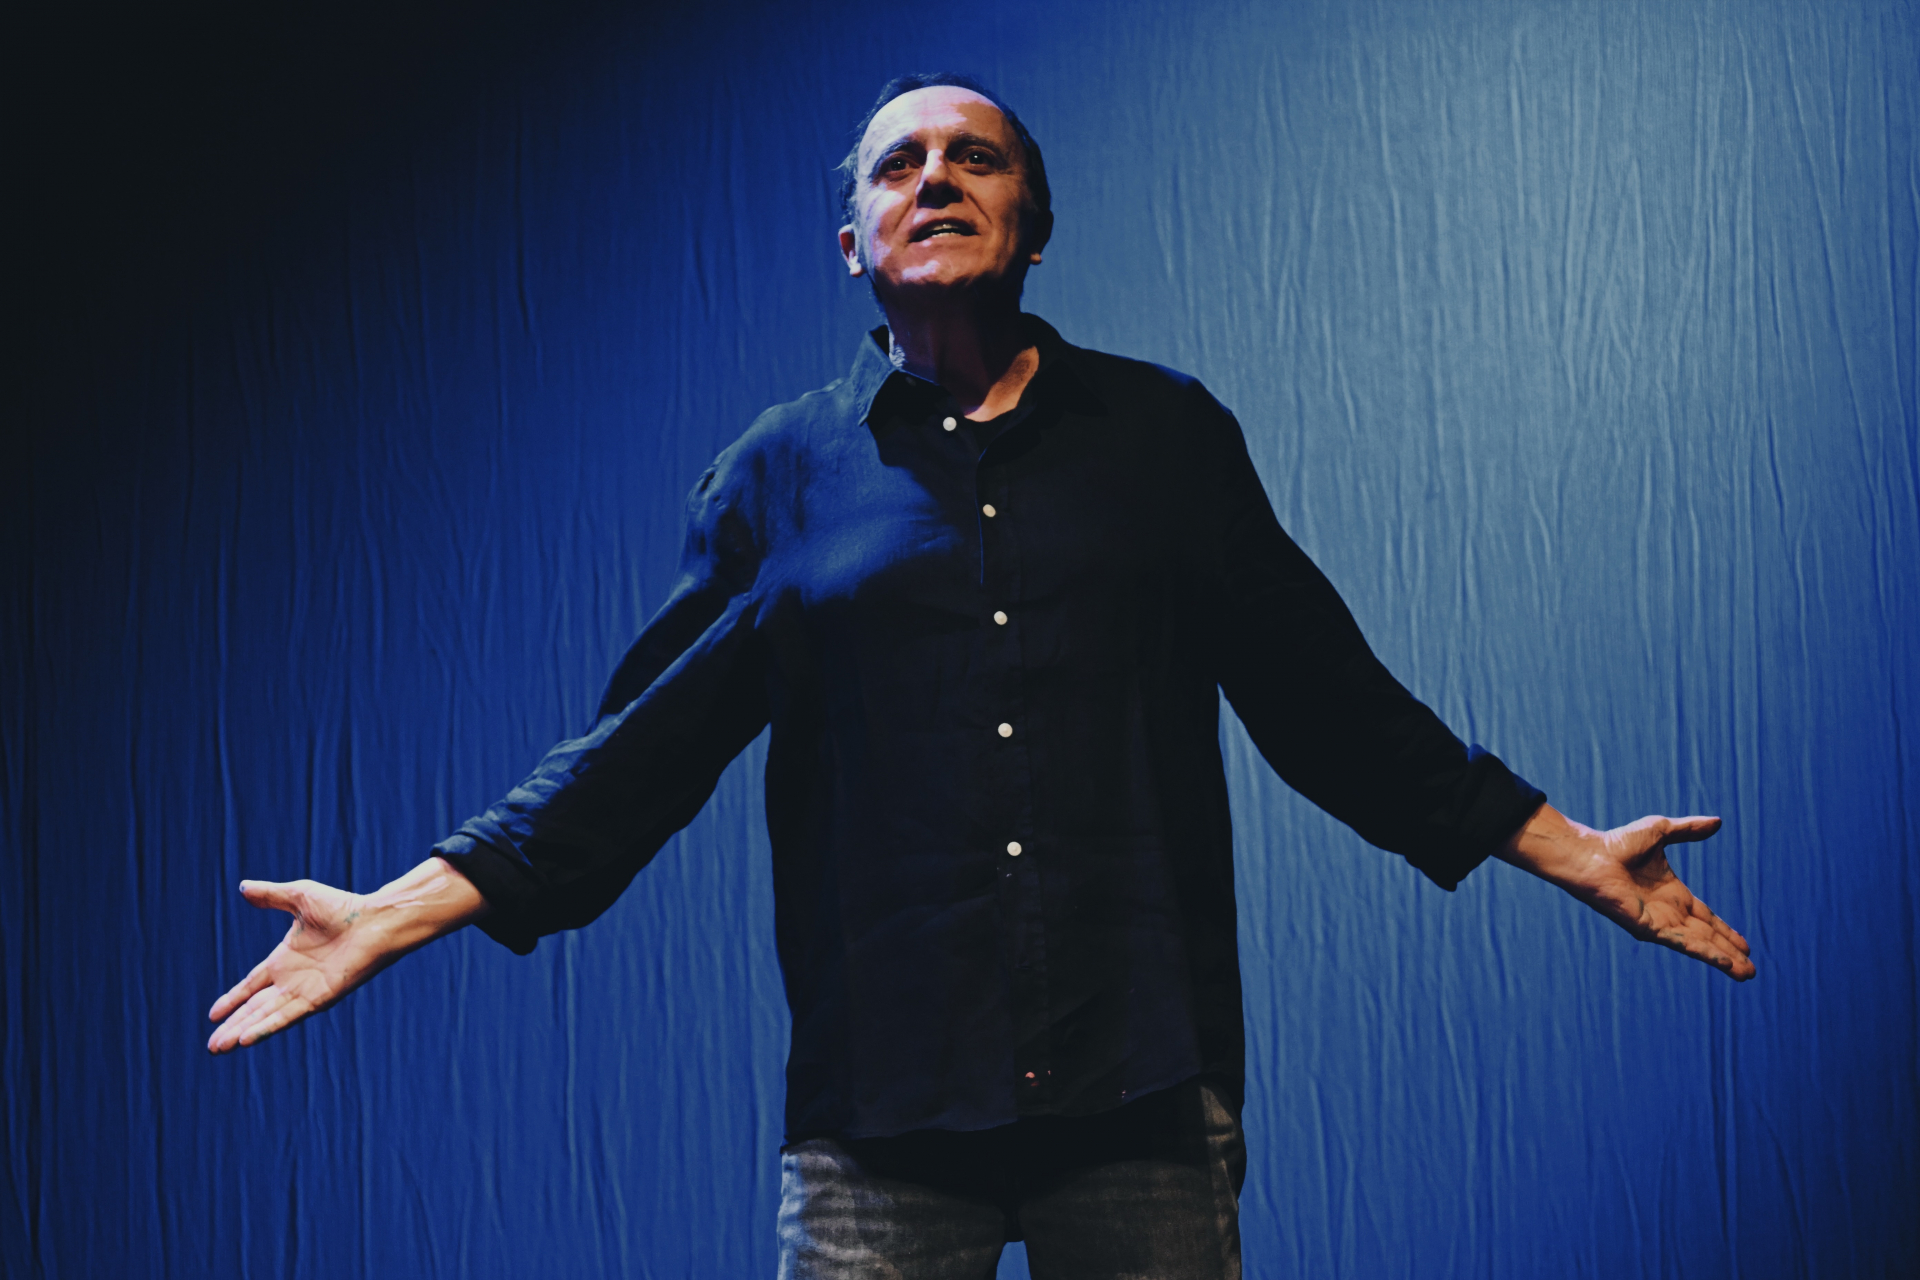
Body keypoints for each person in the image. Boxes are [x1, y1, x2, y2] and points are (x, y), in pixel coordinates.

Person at [208, 73, 1755, 1278]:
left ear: (1036, 222)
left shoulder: (1163, 439)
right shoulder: (781, 476)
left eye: (976, 158)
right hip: (881, 1122)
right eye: (899, 165)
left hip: (1141, 1092)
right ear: (853, 246)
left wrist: (1571, 852)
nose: (936, 177)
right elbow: (637, 755)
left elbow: (1326, 698)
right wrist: (396, 910)